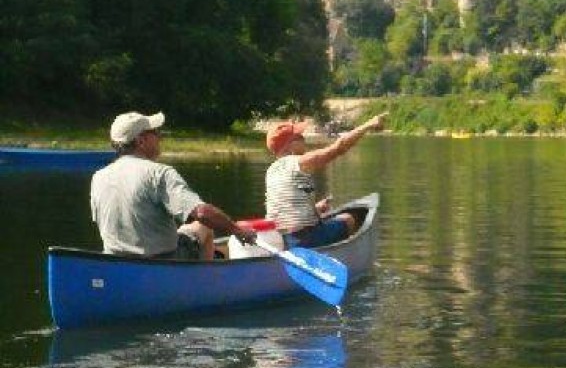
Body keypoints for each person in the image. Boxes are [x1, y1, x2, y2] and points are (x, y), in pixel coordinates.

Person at [90, 111, 256, 260]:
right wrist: (237, 230)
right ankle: (206, 281)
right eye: (155, 132)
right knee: (203, 225)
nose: (160, 137)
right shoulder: (159, 173)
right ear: (141, 141)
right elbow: (202, 212)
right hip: (163, 262)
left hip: (115, 262)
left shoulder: (98, 177)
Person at [264, 113, 387, 248]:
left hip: (281, 239)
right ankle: (344, 254)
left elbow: (286, 210)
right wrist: (368, 125)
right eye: (299, 137)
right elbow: (339, 147)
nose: (303, 138)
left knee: (325, 221)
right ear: (289, 146)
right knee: (349, 219)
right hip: (303, 239)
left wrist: (315, 208)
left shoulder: (272, 171)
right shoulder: (299, 162)